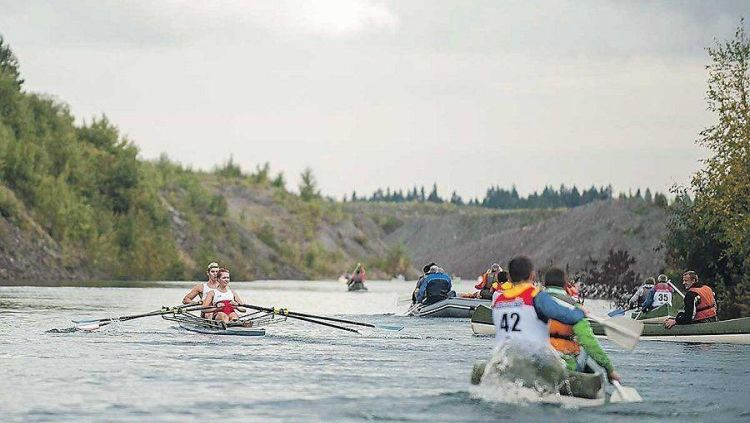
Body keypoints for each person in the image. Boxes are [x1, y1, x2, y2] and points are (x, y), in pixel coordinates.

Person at [491, 256, 620, 382]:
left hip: (507, 359)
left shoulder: (498, 300)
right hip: (540, 362)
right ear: (532, 275)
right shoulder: (536, 297)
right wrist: (580, 312)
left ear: (509, 277)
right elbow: (568, 317)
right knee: (585, 346)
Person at [544, 268, 620, 382]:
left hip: (540, 360)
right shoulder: (575, 308)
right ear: (565, 285)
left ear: (545, 284)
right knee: (584, 346)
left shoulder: (535, 302)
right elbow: (589, 343)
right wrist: (609, 369)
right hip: (564, 364)